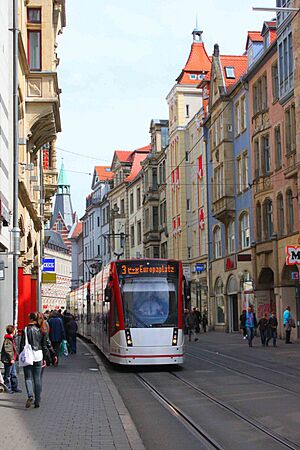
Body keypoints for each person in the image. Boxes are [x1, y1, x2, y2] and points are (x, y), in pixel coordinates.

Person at [19, 312, 49, 408]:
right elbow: (44, 346)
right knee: (37, 378)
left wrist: (20, 356)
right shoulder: (42, 329)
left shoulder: (25, 329)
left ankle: (30, 395)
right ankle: (37, 401)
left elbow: (22, 344)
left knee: (28, 377)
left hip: (28, 355)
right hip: (38, 355)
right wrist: (45, 358)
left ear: (30, 319)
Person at [0, 325, 22, 394]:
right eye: (15, 330)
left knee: (13, 374)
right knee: (8, 375)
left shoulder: (11, 338)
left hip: (11, 360)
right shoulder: (8, 339)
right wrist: (11, 358)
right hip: (8, 360)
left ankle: (14, 387)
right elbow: (8, 350)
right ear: (13, 331)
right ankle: (8, 388)